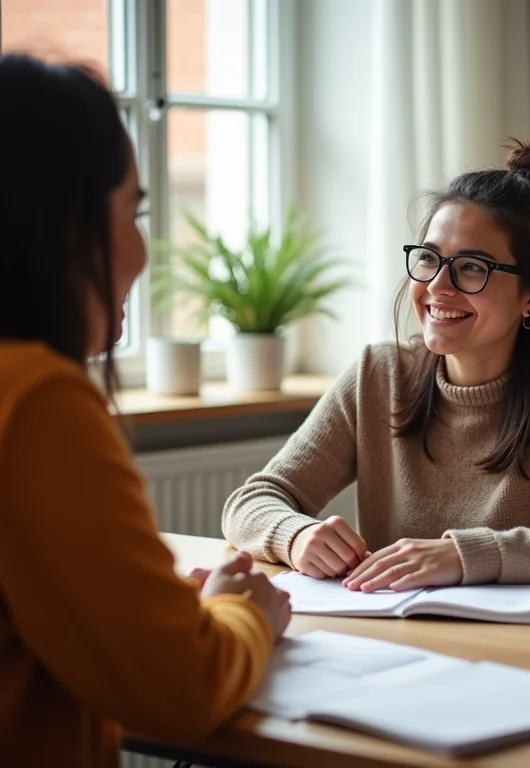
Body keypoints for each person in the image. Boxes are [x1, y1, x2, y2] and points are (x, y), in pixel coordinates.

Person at [0, 54, 290, 768]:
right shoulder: (35, 400)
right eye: (134, 211)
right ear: (64, 222)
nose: (143, 250)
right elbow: (180, 687)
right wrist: (245, 613)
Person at [222, 136, 530, 593]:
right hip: (395, 641)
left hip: (524, 650)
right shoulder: (378, 375)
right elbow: (251, 501)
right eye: (429, 258)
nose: (438, 286)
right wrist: (295, 536)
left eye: (472, 267)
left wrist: (467, 555)